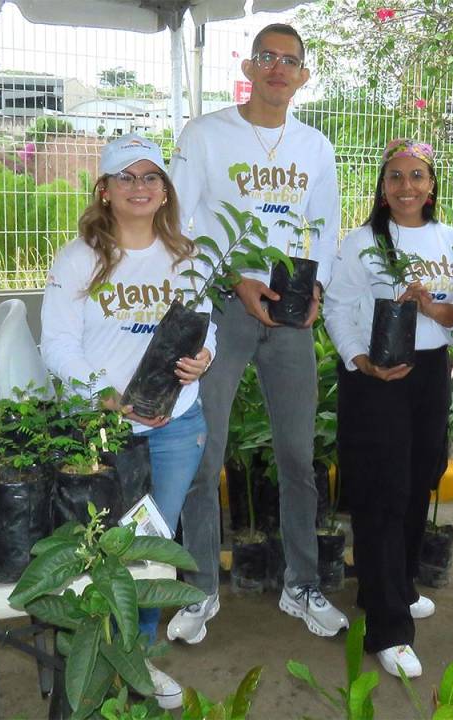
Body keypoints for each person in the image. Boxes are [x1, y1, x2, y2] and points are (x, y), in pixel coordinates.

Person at [167, 23, 346, 641]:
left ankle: (302, 583)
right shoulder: (206, 135)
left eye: (289, 60)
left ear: (304, 74)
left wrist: (315, 289)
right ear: (248, 65)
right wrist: (232, 277)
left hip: (290, 312)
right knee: (203, 452)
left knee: (298, 456)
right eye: (266, 56)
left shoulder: (315, 146)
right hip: (222, 306)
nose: (276, 68)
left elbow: (323, 227)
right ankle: (199, 592)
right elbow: (178, 227)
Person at [40, 133, 215, 710]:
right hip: (105, 432)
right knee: (100, 556)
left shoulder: (188, 257)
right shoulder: (79, 259)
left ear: (165, 191)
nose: (139, 188)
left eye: (150, 177)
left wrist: (204, 357)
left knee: (149, 553)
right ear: (106, 191)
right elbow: (59, 347)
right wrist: (107, 396)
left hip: (174, 427)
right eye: (126, 178)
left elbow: (203, 327)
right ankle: (96, 663)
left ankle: (137, 659)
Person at [324, 139, 453, 678]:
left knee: (420, 478)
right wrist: (360, 359)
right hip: (375, 375)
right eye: (395, 177)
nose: (407, 186)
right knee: (382, 491)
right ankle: (389, 628)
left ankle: (394, 588)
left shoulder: (451, 241)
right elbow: (335, 308)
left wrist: (429, 303)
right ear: (382, 187)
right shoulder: (361, 242)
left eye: (417, 176)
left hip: (428, 375)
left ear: (432, 184)